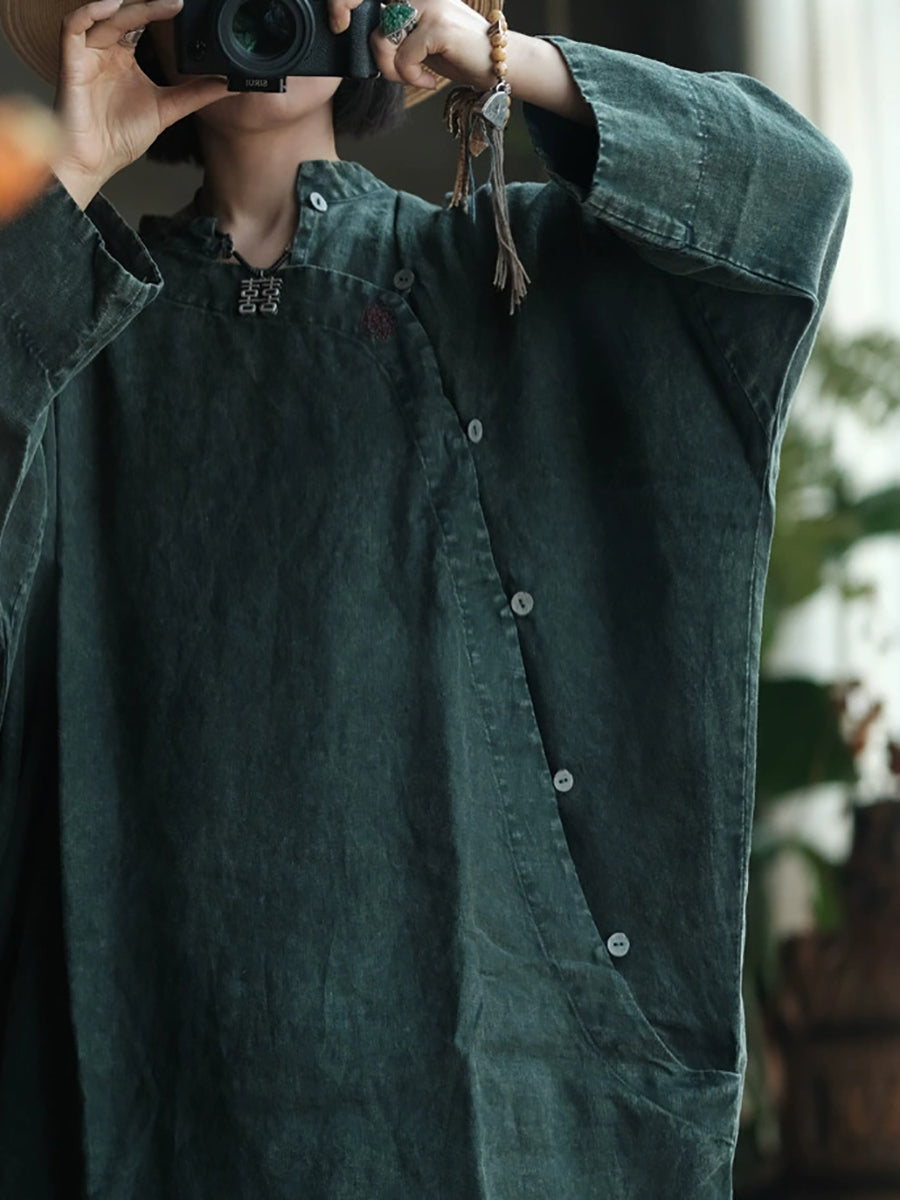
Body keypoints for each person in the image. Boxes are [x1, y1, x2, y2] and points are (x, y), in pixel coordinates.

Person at [0, 0, 851, 1195]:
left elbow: (792, 198)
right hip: (151, 1092)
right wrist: (77, 169)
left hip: (512, 1087)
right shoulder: (70, 335)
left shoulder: (507, 279)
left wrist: (510, 63)